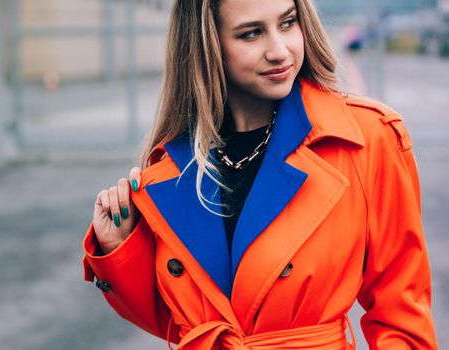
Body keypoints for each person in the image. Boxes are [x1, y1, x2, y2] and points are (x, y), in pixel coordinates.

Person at [82, 0, 438, 348]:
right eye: (251, 34)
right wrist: (121, 250)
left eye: (287, 23)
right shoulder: (173, 163)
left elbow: (402, 317)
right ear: (207, 46)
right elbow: (186, 326)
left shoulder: (365, 138)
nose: (280, 50)